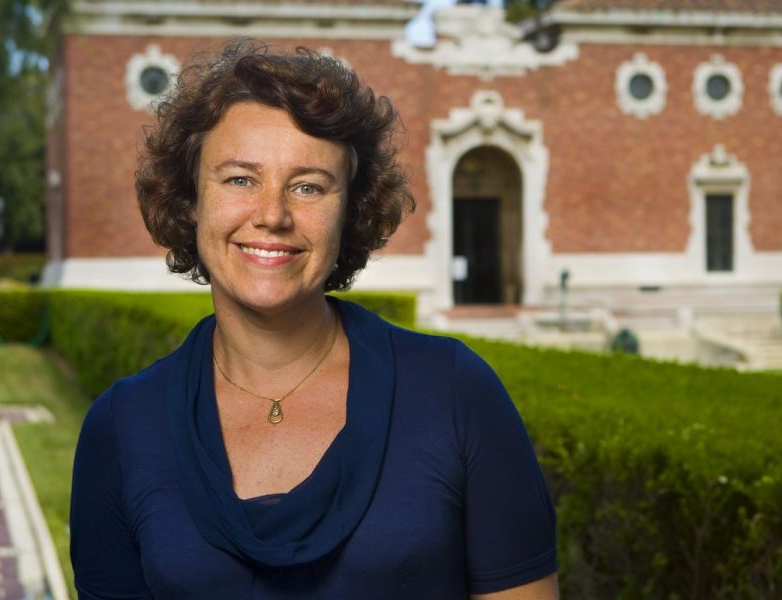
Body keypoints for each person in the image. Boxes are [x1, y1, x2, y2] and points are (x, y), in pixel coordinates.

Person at [70, 40, 558, 600]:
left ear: (350, 212)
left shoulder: (455, 393)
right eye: (240, 179)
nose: (273, 215)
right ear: (190, 202)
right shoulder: (121, 429)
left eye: (308, 186)